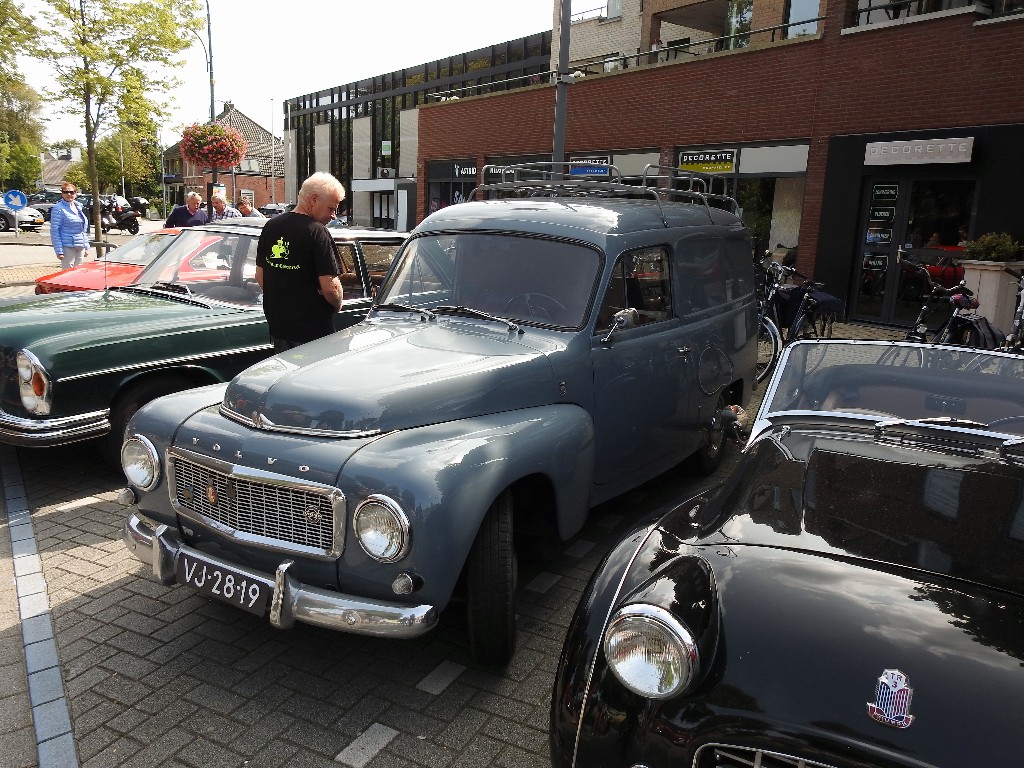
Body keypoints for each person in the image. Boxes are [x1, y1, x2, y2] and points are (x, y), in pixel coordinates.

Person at [256, 172, 349, 352]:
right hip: (313, 332)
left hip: (279, 328)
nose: (334, 215)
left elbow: (260, 276)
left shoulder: (271, 226)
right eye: (331, 208)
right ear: (313, 199)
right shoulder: (317, 232)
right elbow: (331, 288)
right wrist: (338, 304)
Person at [50, 182, 90, 270]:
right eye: (66, 192)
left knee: (78, 272)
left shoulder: (78, 206)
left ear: (75, 193)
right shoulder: (58, 208)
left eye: (72, 192)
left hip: (80, 245)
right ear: (62, 194)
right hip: (67, 245)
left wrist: (86, 245)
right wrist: (59, 251)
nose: (69, 194)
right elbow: (55, 230)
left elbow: (83, 229)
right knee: (68, 273)